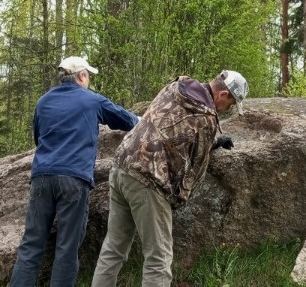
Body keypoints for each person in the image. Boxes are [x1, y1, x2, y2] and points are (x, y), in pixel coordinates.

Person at [90, 70, 247, 287]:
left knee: (113, 248)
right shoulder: (207, 118)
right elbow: (197, 167)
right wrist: (179, 200)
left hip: (121, 166)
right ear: (221, 94)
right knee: (159, 258)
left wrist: (213, 141)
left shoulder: (177, 87)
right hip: (149, 180)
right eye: (230, 103)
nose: (228, 108)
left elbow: (172, 126)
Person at [9, 56, 139, 287]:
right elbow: (127, 120)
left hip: (41, 177)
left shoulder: (43, 102)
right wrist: (147, 119)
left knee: (31, 245)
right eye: (88, 75)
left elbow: (38, 138)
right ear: (81, 76)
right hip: (74, 179)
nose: (88, 80)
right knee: (67, 249)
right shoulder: (92, 101)